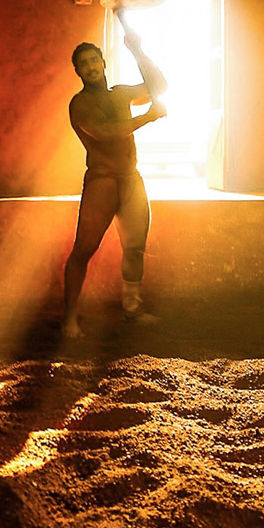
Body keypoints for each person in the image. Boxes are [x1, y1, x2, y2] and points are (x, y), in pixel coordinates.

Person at [62, 33, 168, 337]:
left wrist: (138, 49)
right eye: (83, 64)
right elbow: (105, 132)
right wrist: (146, 118)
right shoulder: (79, 104)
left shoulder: (121, 94)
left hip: (131, 178)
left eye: (94, 60)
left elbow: (158, 86)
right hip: (102, 180)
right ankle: (70, 319)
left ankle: (132, 310)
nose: (91, 66)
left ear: (103, 62)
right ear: (79, 72)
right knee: (84, 249)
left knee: (135, 248)